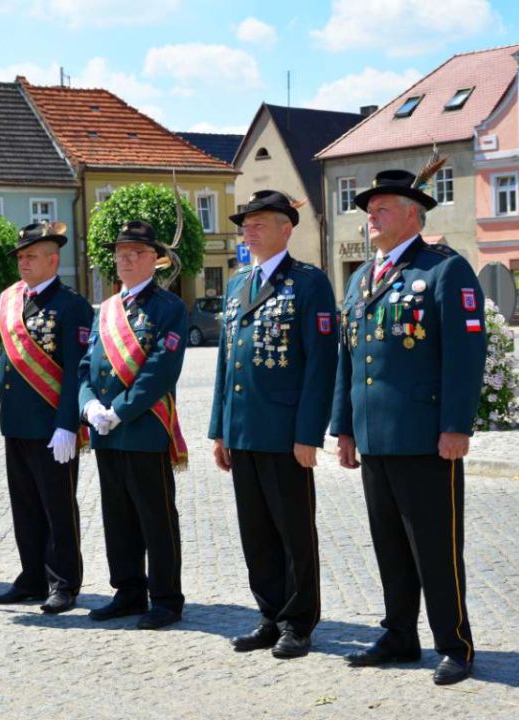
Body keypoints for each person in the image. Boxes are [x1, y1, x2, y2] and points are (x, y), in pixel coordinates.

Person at [330, 169, 486, 685]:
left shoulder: (443, 270)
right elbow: (348, 358)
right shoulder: (360, 278)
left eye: (382, 208)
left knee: (435, 547)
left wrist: (456, 425)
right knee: (390, 546)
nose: (370, 217)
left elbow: (465, 355)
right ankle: (399, 635)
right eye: (368, 209)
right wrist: (344, 428)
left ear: (414, 215)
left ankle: (454, 644)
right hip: (374, 437)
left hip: (425, 438)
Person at [208, 190, 339, 659]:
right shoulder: (237, 283)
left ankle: (298, 623)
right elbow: (226, 360)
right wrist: (220, 429)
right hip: (243, 430)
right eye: (246, 224)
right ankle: (269, 615)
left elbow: (321, 364)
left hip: (284, 434)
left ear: (287, 227)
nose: (248, 231)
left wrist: (308, 434)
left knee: (293, 532)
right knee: (256, 532)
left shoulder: (308, 283)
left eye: (259, 223)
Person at [0, 222, 92, 614]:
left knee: (58, 508)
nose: (23, 262)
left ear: (53, 259)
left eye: (31, 256)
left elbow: (77, 372)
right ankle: (32, 578)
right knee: (25, 507)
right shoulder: (8, 301)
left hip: (52, 427)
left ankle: (64, 583)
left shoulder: (71, 306)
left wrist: (68, 424)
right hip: (15, 423)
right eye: (20, 256)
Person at [78, 220, 188, 630]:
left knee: (155, 517)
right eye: (120, 253)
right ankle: (127, 591)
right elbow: (86, 366)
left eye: (134, 253)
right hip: (106, 431)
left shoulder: (168, 308)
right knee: (118, 516)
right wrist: (89, 406)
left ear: (154, 259)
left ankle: (166, 598)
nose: (124, 260)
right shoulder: (106, 309)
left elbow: (160, 370)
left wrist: (120, 410)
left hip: (143, 427)